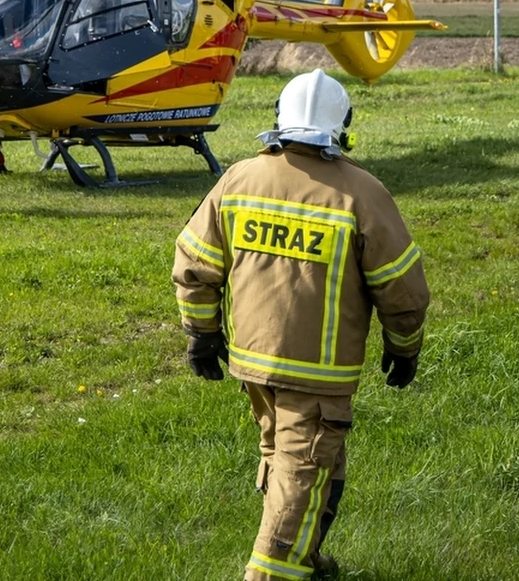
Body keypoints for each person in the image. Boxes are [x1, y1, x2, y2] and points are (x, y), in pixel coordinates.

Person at [172, 69, 429, 581]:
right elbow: (403, 292)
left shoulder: (240, 179)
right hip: (317, 375)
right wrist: (404, 350)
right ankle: (270, 573)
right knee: (302, 473)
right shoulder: (360, 193)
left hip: (253, 366)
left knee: (299, 463)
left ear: (279, 121)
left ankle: (307, 562)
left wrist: (201, 334)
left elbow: (194, 264)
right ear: (343, 125)